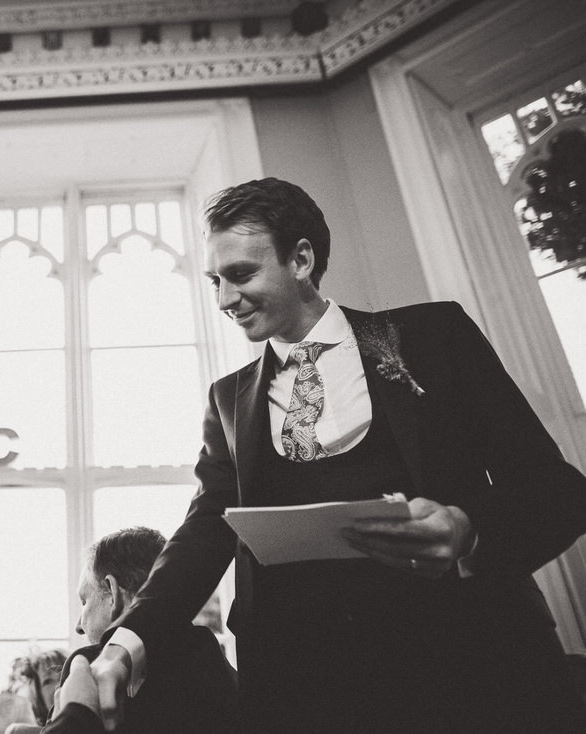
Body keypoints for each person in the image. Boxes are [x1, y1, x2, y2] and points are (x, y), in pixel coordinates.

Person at [88, 178, 586, 733]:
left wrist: (466, 528)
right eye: (215, 281)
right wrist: (125, 643)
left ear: (301, 259)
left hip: (472, 668)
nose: (225, 299)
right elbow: (204, 532)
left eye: (242, 275)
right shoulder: (228, 400)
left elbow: (555, 488)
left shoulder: (432, 335)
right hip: (306, 692)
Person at [69, 526, 236, 733]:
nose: (78, 626)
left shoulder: (88, 667)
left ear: (112, 593)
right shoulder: (210, 655)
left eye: (84, 601)